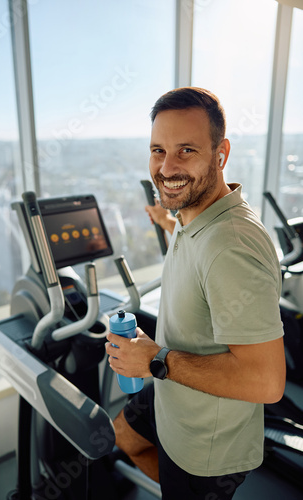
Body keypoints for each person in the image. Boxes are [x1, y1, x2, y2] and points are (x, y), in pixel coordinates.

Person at [105, 87, 286, 499]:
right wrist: (168, 223)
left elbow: (267, 381)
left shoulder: (231, 247)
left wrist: (154, 359)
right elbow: (198, 246)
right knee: (125, 436)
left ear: (220, 155)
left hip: (203, 446)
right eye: (158, 150)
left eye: (186, 150)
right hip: (171, 397)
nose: (166, 167)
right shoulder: (196, 214)